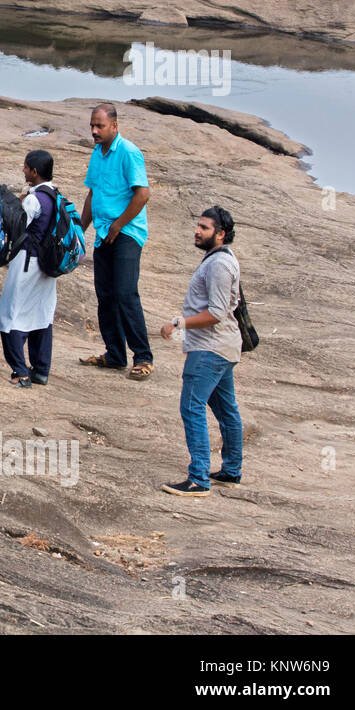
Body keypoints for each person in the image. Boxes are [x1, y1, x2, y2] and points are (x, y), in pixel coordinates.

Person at [160, 207, 244, 496]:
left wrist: (179, 322)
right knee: (226, 410)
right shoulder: (221, 259)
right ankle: (231, 471)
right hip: (223, 347)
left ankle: (198, 479)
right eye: (198, 225)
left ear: (220, 234)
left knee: (192, 407)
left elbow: (217, 313)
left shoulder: (219, 264)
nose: (197, 231)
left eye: (205, 228)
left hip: (210, 348)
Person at [80, 103, 153, 380]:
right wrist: (80, 229)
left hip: (126, 232)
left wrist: (119, 224)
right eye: (92, 126)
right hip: (103, 233)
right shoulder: (97, 153)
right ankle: (114, 354)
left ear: (114, 126)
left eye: (99, 126)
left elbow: (142, 194)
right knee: (105, 295)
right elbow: (92, 193)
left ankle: (143, 356)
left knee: (125, 293)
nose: (94, 131)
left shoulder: (129, 152)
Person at [0, 150, 59, 388]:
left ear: (34, 171)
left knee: (10, 316)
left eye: (25, 167)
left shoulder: (34, 199)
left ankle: (20, 372)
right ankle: (41, 370)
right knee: (41, 316)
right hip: (47, 265)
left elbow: (19, 227)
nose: (23, 171)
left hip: (27, 262)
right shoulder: (55, 195)